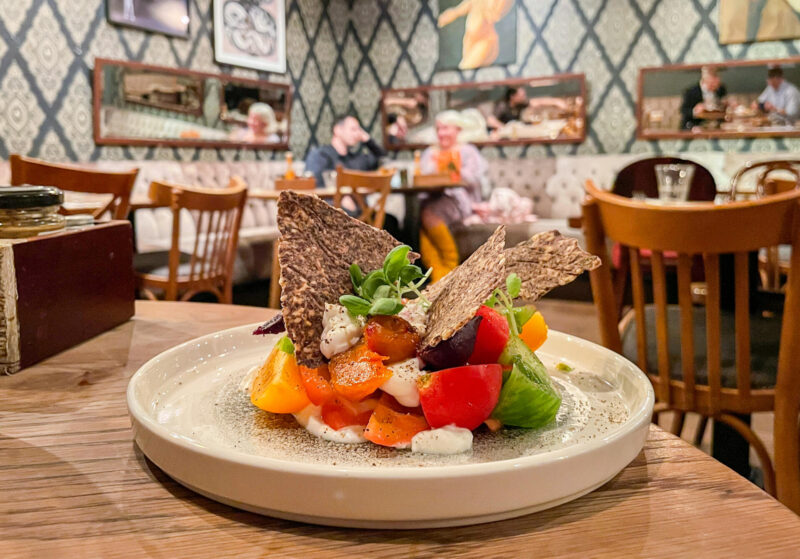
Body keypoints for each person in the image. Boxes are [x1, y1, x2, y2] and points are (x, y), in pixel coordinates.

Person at [419, 110, 488, 281]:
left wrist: (451, 169)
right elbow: (422, 177)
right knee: (419, 219)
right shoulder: (430, 152)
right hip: (431, 198)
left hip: (460, 201)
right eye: (438, 129)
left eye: (446, 128)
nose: (441, 133)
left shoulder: (467, 150)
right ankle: (440, 275)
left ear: (458, 129)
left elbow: (473, 177)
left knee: (428, 216)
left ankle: (449, 269)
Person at [305, 115, 386, 187]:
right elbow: (313, 183)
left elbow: (383, 159)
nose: (357, 134)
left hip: (358, 200)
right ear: (337, 129)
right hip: (330, 199)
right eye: (353, 129)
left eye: (359, 130)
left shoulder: (358, 160)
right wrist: (342, 196)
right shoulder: (320, 155)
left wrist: (368, 140)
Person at [437, 0, 515, 70]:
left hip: (485, 42)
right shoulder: (476, 2)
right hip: (470, 42)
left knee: (465, 67)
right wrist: (438, 21)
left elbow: (494, 14)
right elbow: (455, 12)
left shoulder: (493, 10)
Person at [680, 66, 727, 130]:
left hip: (715, 125)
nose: (715, 87)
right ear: (704, 81)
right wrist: (695, 110)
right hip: (694, 125)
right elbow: (683, 110)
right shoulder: (691, 92)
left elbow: (723, 106)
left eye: (717, 84)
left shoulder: (721, 89)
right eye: (712, 84)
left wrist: (726, 104)